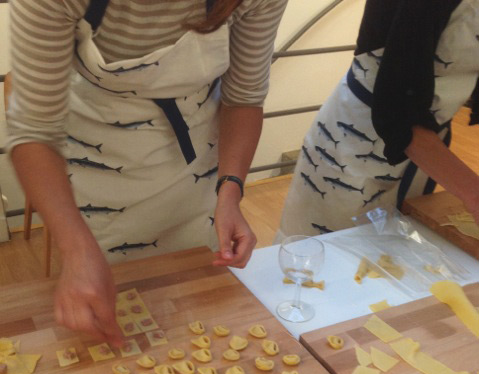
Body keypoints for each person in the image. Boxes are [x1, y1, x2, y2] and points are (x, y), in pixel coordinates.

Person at [6, 0, 288, 345]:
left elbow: (244, 98)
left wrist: (229, 192)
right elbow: (33, 130)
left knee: (194, 313)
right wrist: (78, 252)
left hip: (195, 151)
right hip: (98, 151)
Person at [278, 0, 479, 239]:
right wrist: (473, 194)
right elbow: (396, 109)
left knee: (399, 256)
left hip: (428, 147)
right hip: (358, 139)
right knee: (324, 258)